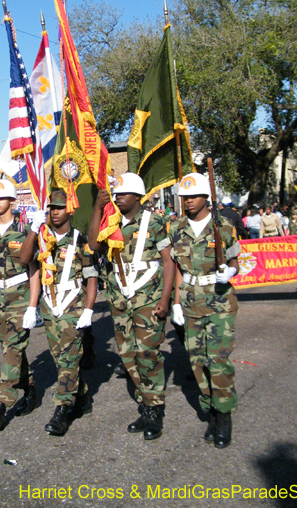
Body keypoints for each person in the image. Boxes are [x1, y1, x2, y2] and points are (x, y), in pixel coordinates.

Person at [88, 173, 176, 441]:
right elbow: (93, 244)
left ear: (138, 196)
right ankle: (146, 401)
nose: (118, 198)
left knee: (147, 353)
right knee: (128, 355)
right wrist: (96, 209)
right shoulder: (110, 221)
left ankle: (154, 409)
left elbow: (169, 262)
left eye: (123, 194)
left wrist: (166, 299)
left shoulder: (156, 222)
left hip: (148, 298)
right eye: (116, 195)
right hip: (120, 298)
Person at [169, 173, 241, 449]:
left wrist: (231, 271)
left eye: (193, 196)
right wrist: (176, 302)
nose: (188, 202)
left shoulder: (223, 227)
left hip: (219, 301)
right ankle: (209, 409)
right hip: (190, 301)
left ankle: (224, 416)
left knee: (218, 360)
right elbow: (177, 269)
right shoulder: (178, 229)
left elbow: (237, 261)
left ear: (206, 198)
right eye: (184, 197)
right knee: (197, 361)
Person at [20, 189, 98, 436]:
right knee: (63, 360)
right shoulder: (42, 239)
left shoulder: (81, 240)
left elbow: (92, 276)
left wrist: (88, 310)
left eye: (59, 207)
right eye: (51, 208)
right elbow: (24, 259)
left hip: (73, 306)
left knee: (68, 359)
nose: (54, 212)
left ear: (70, 209)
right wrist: (33, 229)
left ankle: (62, 409)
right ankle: (82, 397)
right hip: (50, 308)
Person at [0, 179, 41, 431]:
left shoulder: (25, 230)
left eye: (1, 198)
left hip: (19, 298)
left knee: (12, 348)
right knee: (10, 348)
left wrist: (32, 306)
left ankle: (0, 405)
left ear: (12, 201)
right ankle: (30, 387)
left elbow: (34, 270)